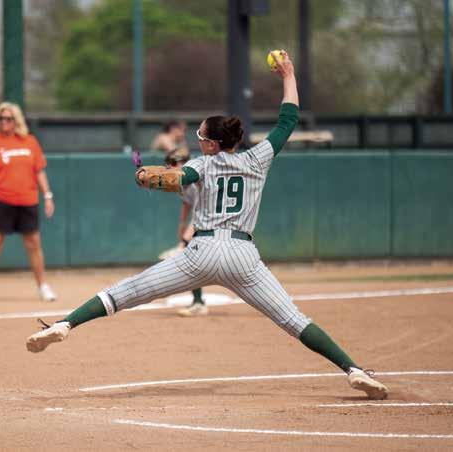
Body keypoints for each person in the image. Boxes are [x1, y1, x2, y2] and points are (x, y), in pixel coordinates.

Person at [26, 51, 388, 400]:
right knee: (293, 320)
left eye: (201, 138)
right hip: (243, 256)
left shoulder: (203, 164)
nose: (198, 142)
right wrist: (289, 75)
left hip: (201, 252)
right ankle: (353, 369)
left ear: (213, 144)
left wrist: (147, 177)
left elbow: (177, 178)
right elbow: (287, 120)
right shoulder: (257, 158)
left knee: (128, 291)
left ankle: (65, 324)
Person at [0, 102, 57, 304]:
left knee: (33, 243)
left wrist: (47, 196)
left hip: (27, 200)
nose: (4, 122)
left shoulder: (30, 142)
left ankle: (43, 286)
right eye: (1, 118)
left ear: (16, 121)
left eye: (9, 118)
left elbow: (39, 171)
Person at [164, 148, 207, 317]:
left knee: (239, 269)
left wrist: (185, 240)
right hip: (205, 224)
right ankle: (198, 302)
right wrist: (181, 226)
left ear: (184, 164)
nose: (170, 167)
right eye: (169, 164)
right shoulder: (182, 183)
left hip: (218, 224)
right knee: (193, 263)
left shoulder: (198, 181)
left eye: (173, 163)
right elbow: (187, 204)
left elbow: (200, 213)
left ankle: (198, 302)